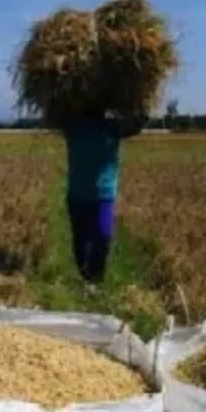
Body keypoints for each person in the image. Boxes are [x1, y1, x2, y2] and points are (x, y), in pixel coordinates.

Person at [58, 110, 147, 286]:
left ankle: (95, 280)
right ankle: (84, 277)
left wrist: (140, 106)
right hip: (78, 193)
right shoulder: (73, 125)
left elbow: (136, 124)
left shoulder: (112, 126)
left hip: (104, 194)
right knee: (80, 242)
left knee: (103, 234)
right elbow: (54, 118)